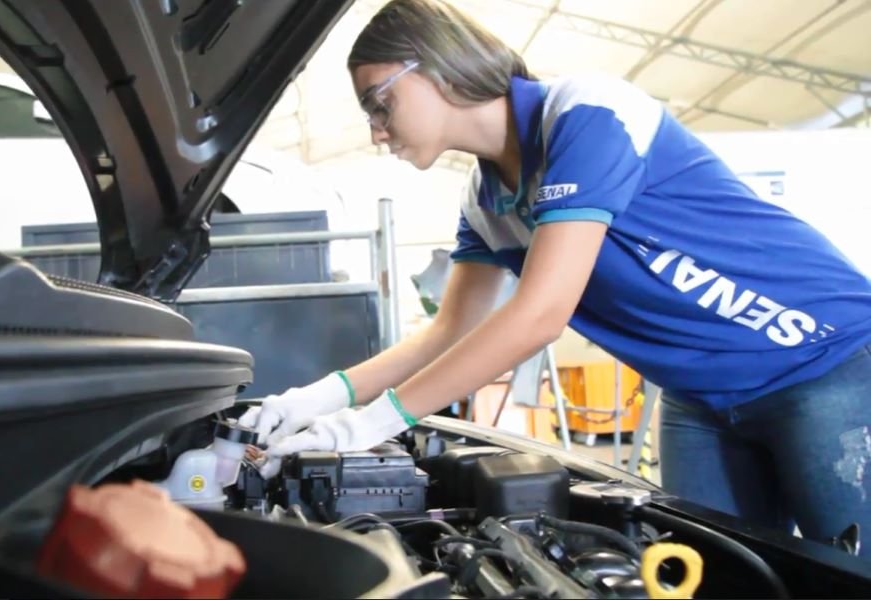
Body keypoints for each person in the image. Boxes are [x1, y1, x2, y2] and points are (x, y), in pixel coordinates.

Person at [238, 0, 871, 544]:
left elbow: (542, 313)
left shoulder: (590, 113)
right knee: (720, 577)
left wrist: (369, 425)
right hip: (700, 396)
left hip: (823, 362)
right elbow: (448, 331)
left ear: (436, 67)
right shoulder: (484, 202)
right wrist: (316, 400)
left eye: (380, 103)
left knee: (849, 574)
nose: (377, 131)